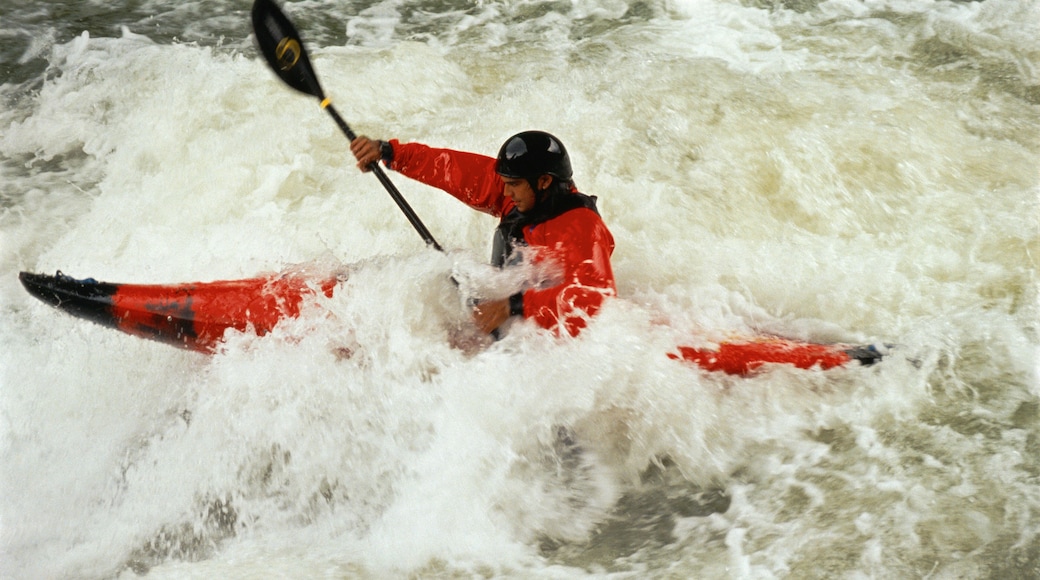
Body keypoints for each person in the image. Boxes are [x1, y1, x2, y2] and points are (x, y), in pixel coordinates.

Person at [350, 131, 616, 337]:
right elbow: (450, 169)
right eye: (505, 184)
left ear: (544, 181)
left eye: (513, 185)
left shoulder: (581, 226)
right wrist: (390, 152)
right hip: (501, 315)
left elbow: (595, 300)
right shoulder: (523, 193)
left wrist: (514, 306)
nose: (506, 192)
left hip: (538, 341)